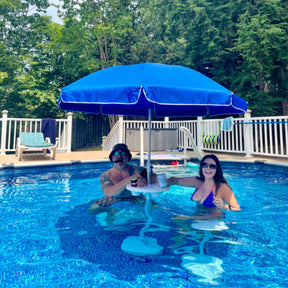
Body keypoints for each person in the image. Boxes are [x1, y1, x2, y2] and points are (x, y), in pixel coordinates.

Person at [88, 143, 157, 213]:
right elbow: (109, 193)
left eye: (123, 154)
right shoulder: (105, 175)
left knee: (155, 207)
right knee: (92, 210)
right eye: (116, 154)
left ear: (128, 157)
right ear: (112, 158)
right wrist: (128, 180)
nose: (119, 156)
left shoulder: (138, 170)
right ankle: (111, 213)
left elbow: (155, 178)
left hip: (134, 197)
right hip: (114, 199)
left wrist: (145, 179)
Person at [168, 154, 241, 211]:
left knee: (180, 219)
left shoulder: (222, 187)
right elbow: (176, 181)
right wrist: (168, 181)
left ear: (217, 169)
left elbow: (237, 208)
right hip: (198, 218)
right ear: (201, 167)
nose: (208, 168)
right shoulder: (197, 182)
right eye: (205, 165)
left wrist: (224, 206)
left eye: (212, 166)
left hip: (213, 221)